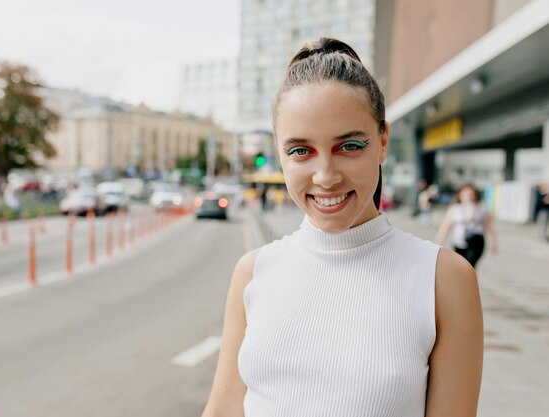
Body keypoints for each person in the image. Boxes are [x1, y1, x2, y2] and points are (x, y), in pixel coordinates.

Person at [202, 38, 483, 417]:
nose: (325, 176)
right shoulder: (253, 271)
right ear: (280, 153)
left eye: (348, 146)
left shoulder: (444, 279)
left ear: (382, 141)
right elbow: (222, 411)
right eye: (300, 151)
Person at [435, 183, 497, 267]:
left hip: (476, 241)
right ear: (460, 195)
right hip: (459, 241)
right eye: (465, 194)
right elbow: (446, 226)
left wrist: (492, 242)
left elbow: (489, 227)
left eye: (470, 194)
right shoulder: (455, 209)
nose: (468, 197)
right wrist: (438, 241)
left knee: (470, 265)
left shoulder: (481, 209)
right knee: (460, 267)